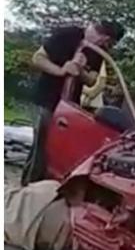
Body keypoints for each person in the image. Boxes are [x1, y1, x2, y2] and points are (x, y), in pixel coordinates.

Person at [21, 20, 125, 185]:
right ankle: (29, 186)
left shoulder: (97, 51)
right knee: (41, 147)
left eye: (108, 44)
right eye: (106, 41)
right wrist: (61, 70)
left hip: (68, 106)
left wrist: (80, 70)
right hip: (46, 99)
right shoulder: (68, 34)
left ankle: (47, 187)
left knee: (56, 148)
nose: (105, 45)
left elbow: (91, 80)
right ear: (102, 34)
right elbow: (38, 58)